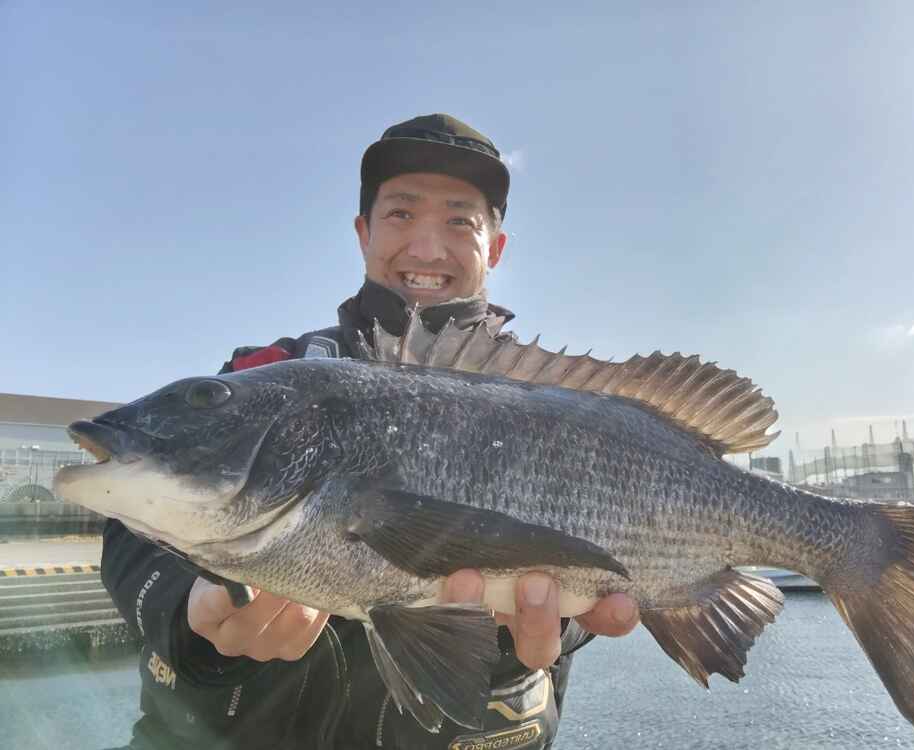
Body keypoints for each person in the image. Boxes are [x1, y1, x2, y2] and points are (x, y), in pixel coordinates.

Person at [101, 113, 640, 750]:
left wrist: (557, 624)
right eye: (401, 214)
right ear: (364, 233)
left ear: (495, 248)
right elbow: (132, 520)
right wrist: (187, 610)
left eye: (460, 222)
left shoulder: (562, 407)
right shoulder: (269, 378)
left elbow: (616, 556)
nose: (427, 249)